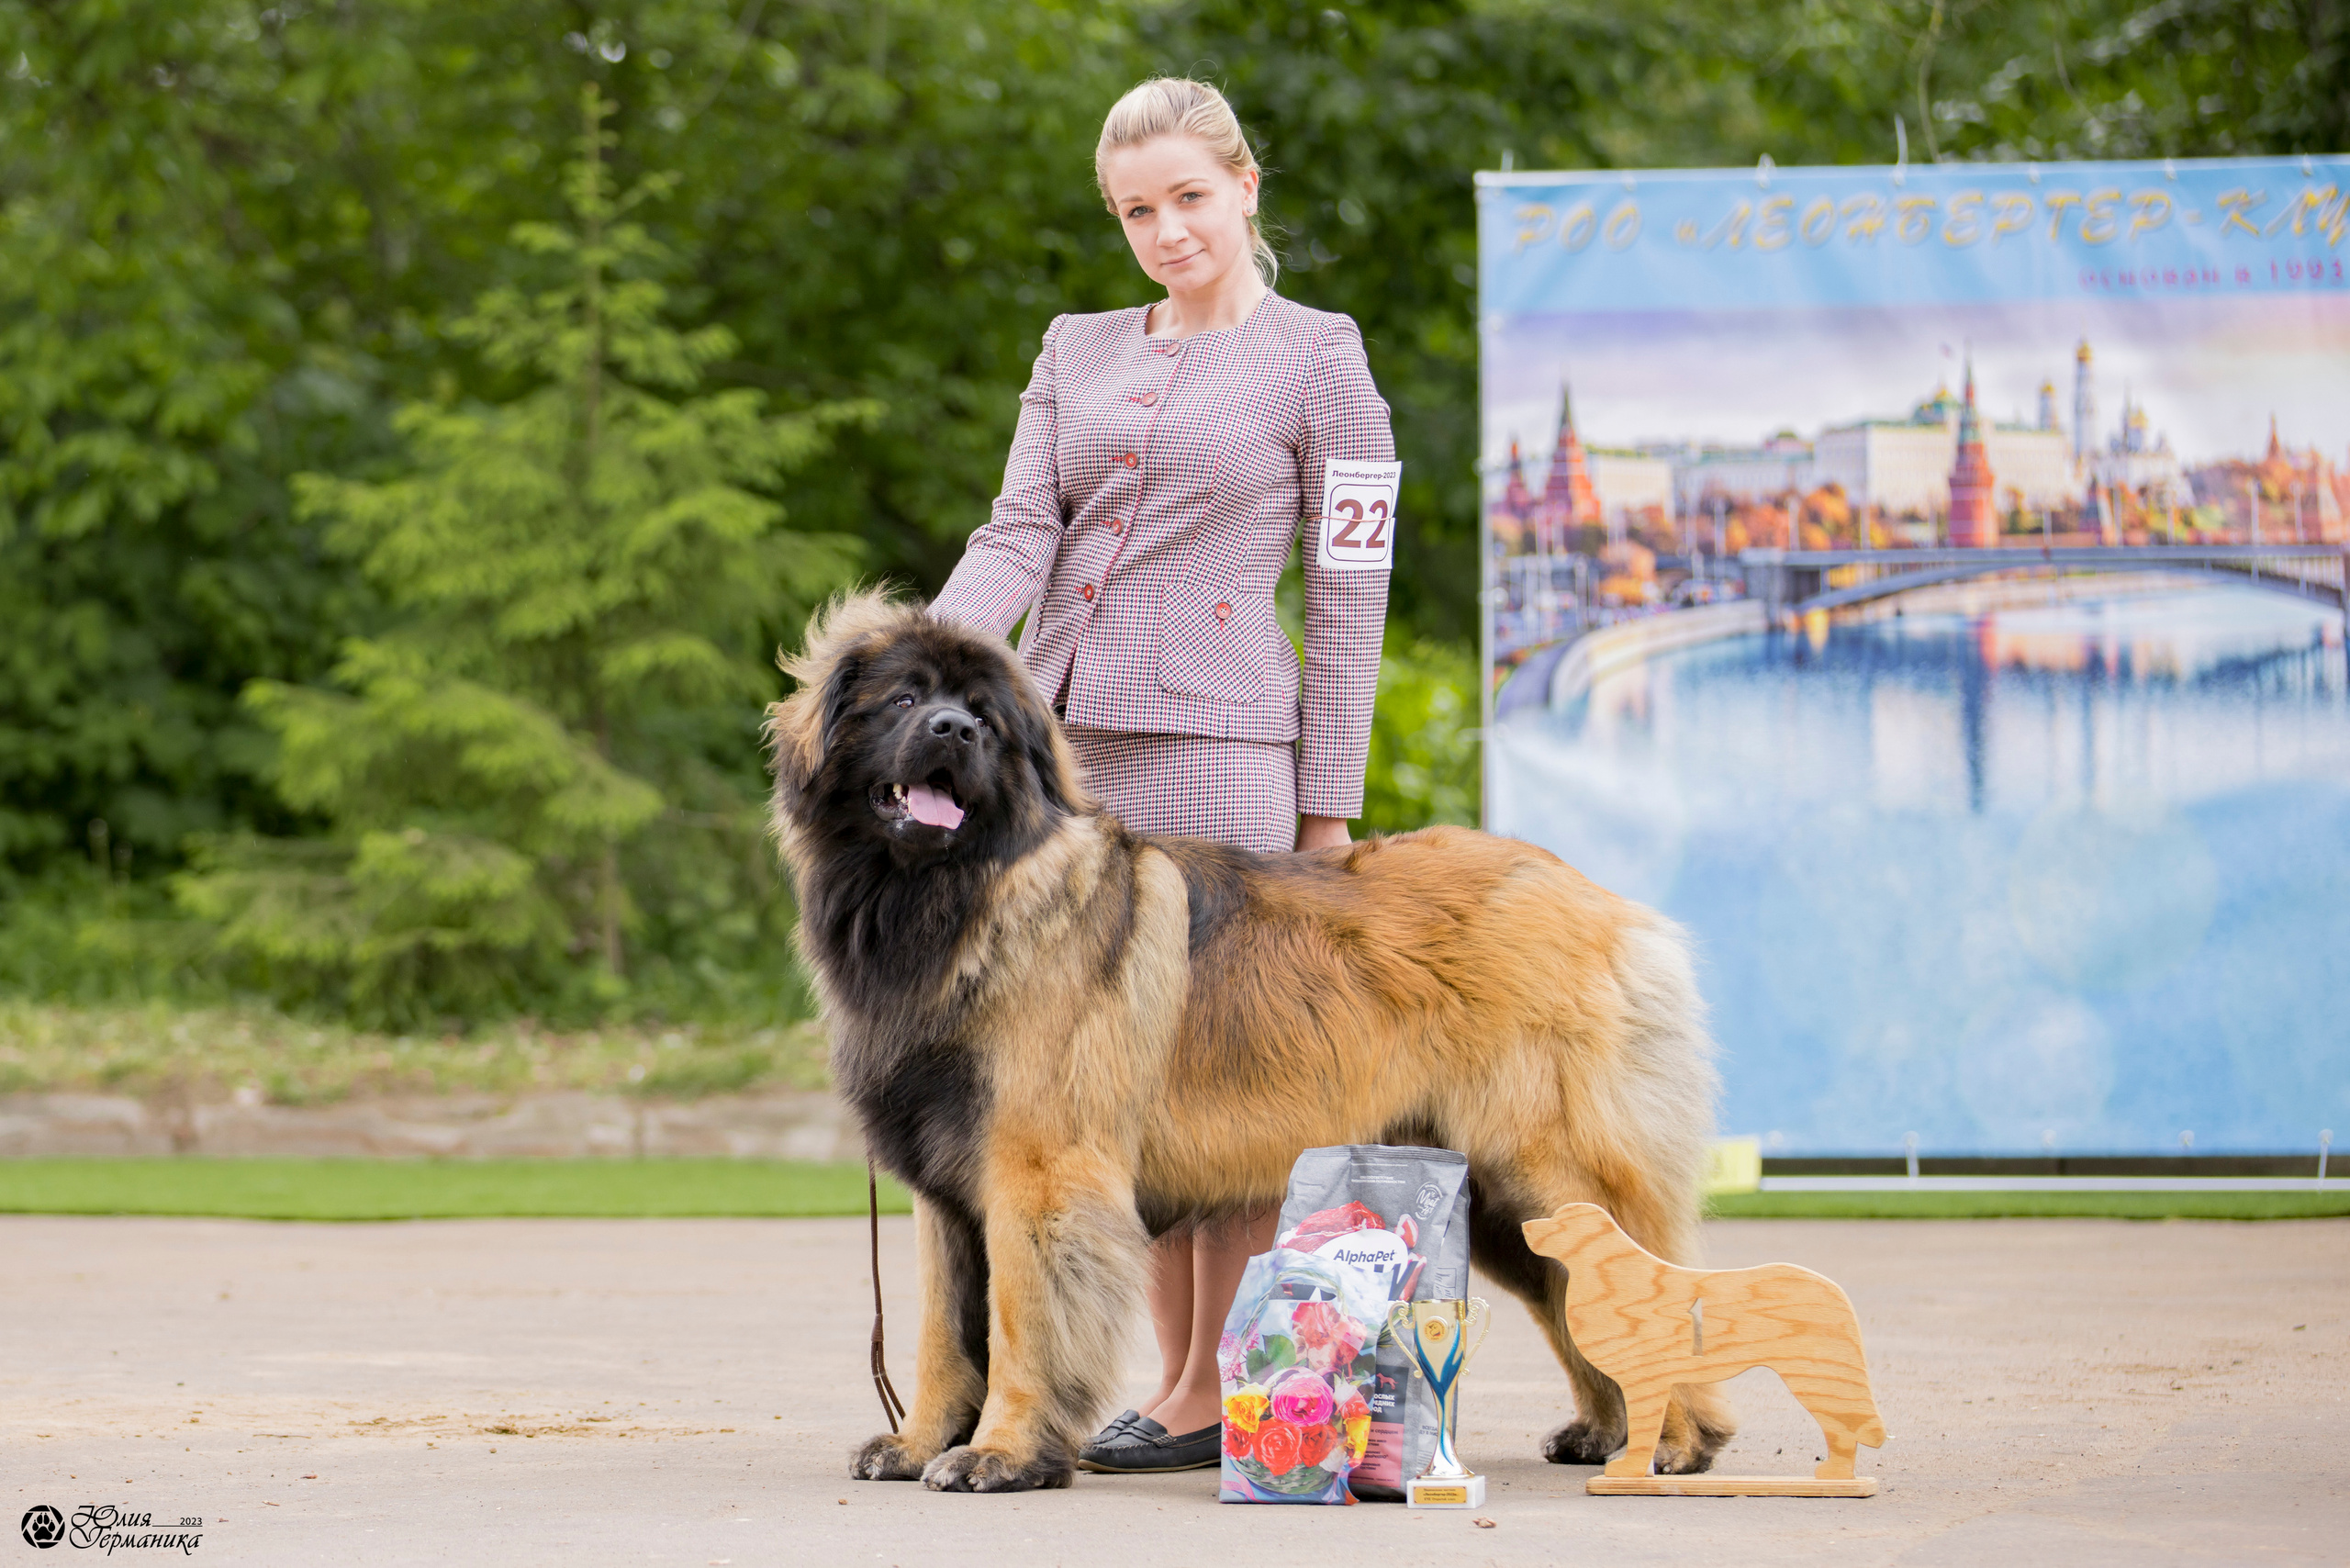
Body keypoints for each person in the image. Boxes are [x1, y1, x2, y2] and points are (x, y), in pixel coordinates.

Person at [930, 76, 1395, 1474]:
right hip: (1058, 771)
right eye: (1136, 209)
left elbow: (1352, 587)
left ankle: (1211, 1387)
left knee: (1220, 1069)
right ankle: (1156, 1379)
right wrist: (937, 667)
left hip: (1223, 757)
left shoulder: (1323, 357)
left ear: (1246, 187)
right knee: (1096, 1079)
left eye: (1189, 196)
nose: (1165, 229)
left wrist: (1332, 800)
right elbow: (1020, 528)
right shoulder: (1075, 348)